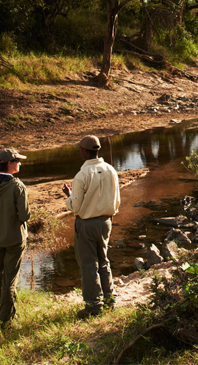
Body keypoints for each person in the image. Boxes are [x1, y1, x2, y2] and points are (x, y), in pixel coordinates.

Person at [62, 135, 121, 319]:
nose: (80, 151)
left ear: (85, 151)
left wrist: (69, 197)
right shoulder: (110, 169)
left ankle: (93, 306)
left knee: (88, 264)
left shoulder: (82, 175)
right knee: (103, 260)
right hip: (106, 222)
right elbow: (117, 200)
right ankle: (110, 299)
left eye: (80, 149)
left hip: (87, 223)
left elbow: (76, 207)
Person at [0, 147, 31, 325]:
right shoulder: (17, 186)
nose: (20, 164)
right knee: (10, 279)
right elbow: (25, 215)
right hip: (14, 239)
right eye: (18, 161)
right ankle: (6, 319)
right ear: (9, 164)